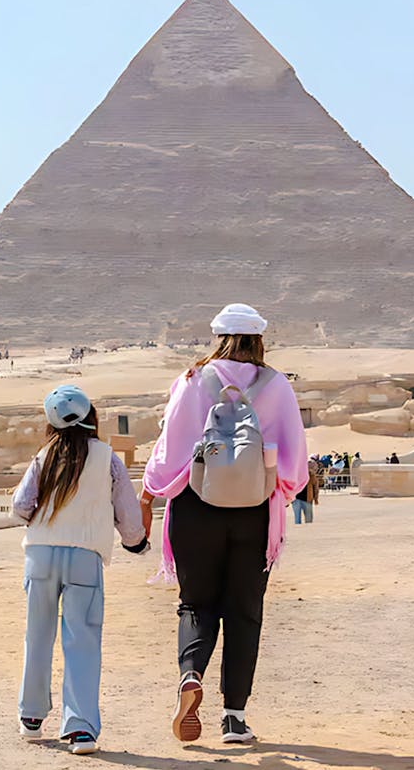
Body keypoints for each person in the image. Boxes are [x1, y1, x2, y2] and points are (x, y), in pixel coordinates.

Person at [141, 304, 307, 745]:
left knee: (196, 603)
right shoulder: (277, 386)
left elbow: (169, 447)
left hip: (197, 507)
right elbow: (295, 468)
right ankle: (234, 717)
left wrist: (151, 490)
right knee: (244, 611)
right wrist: (273, 489)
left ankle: (190, 674)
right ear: (259, 339)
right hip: (255, 512)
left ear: (217, 337)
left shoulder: (193, 381)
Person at [11, 384, 149, 754]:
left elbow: (20, 505)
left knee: (37, 635)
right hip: (85, 557)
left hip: (40, 554)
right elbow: (127, 512)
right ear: (91, 416)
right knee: (82, 641)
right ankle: (80, 728)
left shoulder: (44, 456)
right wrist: (135, 542)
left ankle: (32, 716)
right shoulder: (107, 458)